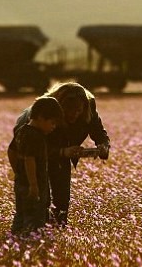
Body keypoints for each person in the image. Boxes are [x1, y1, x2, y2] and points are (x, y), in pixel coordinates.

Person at [12, 82, 110, 226]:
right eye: (69, 111)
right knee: (40, 195)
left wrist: (103, 146)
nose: (74, 114)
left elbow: (98, 132)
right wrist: (62, 152)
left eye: (78, 111)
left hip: (62, 153)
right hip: (34, 156)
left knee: (62, 197)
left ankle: (56, 226)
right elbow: (32, 150)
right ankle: (33, 228)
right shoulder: (44, 114)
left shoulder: (88, 107)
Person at [8, 96, 63, 235]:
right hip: (36, 184)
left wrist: (18, 172)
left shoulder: (21, 131)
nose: (53, 127)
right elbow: (29, 159)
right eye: (52, 123)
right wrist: (33, 184)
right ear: (40, 117)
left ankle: (16, 236)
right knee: (36, 216)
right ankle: (29, 240)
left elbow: (11, 151)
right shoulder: (36, 136)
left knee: (21, 213)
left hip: (20, 181)